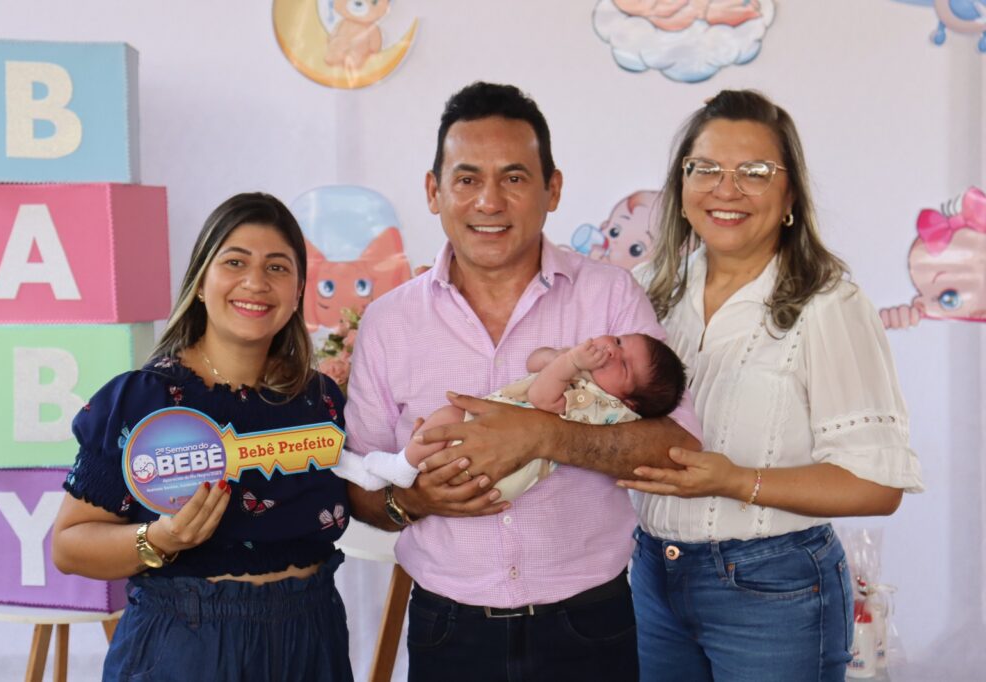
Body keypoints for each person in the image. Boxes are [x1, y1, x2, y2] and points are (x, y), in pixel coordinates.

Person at [344, 81, 702, 682]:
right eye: (466, 179)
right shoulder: (388, 321)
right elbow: (360, 483)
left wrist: (542, 435)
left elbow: (677, 448)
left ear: (552, 189)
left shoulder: (609, 296)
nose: (489, 201)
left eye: (513, 177)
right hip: (447, 627)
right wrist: (415, 500)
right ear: (433, 191)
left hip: (590, 622)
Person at [621, 90, 924, 681]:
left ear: (790, 196)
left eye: (755, 172)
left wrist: (735, 480)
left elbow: (878, 486)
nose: (726, 189)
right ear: (681, 186)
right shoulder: (645, 292)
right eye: (705, 168)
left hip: (773, 589)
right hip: (652, 575)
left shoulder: (829, 304)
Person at [51, 193, 354, 682]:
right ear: (200, 281)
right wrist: (159, 539)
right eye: (235, 262)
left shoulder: (319, 400)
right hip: (187, 648)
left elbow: (366, 490)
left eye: (277, 267)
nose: (256, 282)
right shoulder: (142, 400)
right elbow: (68, 546)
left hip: (311, 640)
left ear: (299, 290)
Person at [336, 333, 686, 501]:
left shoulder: (598, 406)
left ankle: (400, 467)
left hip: (497, 466)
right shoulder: (586, 376)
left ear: (629, 402)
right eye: (620, 342)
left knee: (448, 416)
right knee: (445, 427)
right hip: (490, 456)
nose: (611, 352)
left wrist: (569, 363)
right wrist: (561, 356)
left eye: (623, 365)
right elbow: (535, 361)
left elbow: (541, 396)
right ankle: (387, 470)